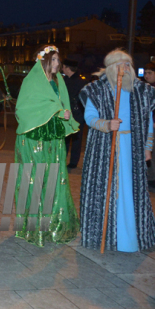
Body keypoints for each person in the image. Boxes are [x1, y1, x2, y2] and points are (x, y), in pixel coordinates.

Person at [79, 50, 155, 252]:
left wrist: (148, 148)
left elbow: (149, 122)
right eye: (121, 66)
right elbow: (89, 117)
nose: (125, 70)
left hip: (133, 149)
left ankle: (130, 238)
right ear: (111, 68)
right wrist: (106, 124)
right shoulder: (95, 89)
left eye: (128, 65)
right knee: (107, 192)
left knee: (131, 192)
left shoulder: (143, 91)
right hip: (104, 149)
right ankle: (105, 237)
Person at [14, 45, 80, 247]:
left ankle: (54, 222)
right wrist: (57, 109)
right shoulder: (32, 80)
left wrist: (65, 112)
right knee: (35, 179)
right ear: (44, 60)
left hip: (54, 138)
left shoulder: (59, 81)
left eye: (58, 60)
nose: (57, 64)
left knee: (55, 178)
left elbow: (63, 103)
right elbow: (23, 108)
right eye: (53, 60)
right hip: (34, 138)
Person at [61, 59, 86, 169]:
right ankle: (63, 159)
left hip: (77, 114)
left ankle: (73, 162)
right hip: (66, 113)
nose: (62, 69)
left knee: (76, 139)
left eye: (63, 67)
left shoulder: (79, 81)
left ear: (67, 68)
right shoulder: (65, 79)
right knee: (65, 138)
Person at [143, 62, 155, 190]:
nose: (146, 75)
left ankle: (152, 179)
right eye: (145, 73)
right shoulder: (145, 88)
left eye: (150, 73)